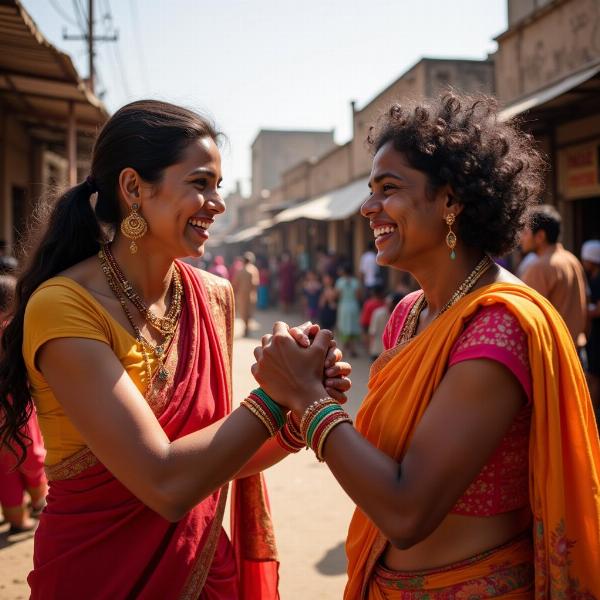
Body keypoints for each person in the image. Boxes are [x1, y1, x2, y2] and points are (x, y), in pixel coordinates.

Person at [252, 93, 600, 598]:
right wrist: (311, 390)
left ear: (451, 201)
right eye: (371, 190)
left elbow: (406, 510)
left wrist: (310, 401)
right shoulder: (408, 314)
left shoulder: (497, 324)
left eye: (388, 189)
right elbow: (386, 462)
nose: (369, 207)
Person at [0, 100, 351, 599]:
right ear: (133, 188)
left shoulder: (212, 296)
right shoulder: (64, 307)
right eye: (200, 183)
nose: (218, 203)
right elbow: (164, 483)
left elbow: (214, 461)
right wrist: (275, 396)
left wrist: (301, 409)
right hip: (98, 576)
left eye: (219, 186)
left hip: (204, 571)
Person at [0, 275, 47, 534]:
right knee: (28, 451)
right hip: (14, 399)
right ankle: (39, 502)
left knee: (4, 464)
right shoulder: (10, 328)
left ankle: (15, 516)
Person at [520, 204, 588, 348]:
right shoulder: (572, 259)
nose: (521, 239)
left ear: (540, 236)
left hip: (555, 349)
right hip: (575, 346)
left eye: (525, 233)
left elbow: (527, 315)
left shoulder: (540, 267)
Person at [582, 239, 600, 419]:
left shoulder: (597, 280)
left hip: (597, 334)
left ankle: (592, 415)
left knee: (594, 375)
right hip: (594, 333)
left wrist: (584, 309)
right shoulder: (593, 278)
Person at [335, 264, 362, 357]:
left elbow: (337, 295)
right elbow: (358, 296)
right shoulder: (355, 282)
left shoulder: (340, 282)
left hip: (344, 306)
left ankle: (343, 349)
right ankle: (353, 349)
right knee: (353, 326)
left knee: (344, 326)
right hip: (354, 306)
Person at [368, 292, 403, 362]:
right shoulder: (401, 316)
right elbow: (372, 332)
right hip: (383, 350)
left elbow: (372, 332)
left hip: (380, 350)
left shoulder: (378, 313)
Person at [232, 251, 259, 337]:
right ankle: (247, 328)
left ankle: (246, 328)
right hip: (251, 295)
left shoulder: (240, 270)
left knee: (243, 313)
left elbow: (235, 283)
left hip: (242, 295)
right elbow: (256, 283)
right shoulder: (254, 270)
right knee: (249, 313)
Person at [360, 285, 386, 353]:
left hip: (368, 324)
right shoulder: (384, 304)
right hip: (382, 327)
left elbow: (364, 319)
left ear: (373, 293)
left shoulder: (368, 303)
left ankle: (369, 350)